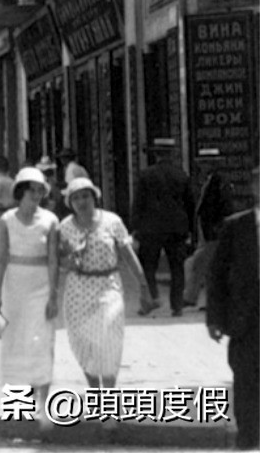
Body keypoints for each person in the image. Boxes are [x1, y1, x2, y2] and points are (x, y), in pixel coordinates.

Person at [55, 176, 156, 434]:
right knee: (82, 343)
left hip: (108, 287)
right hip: (77, 289)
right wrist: (69, 261)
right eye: (76, 198)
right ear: (70, 203)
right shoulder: (64, 227)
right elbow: (58, 261)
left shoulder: (112, 222)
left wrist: (144, 286)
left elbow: (128, 255)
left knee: (109, 341)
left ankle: (109, 405)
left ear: (94, 197)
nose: (81, 202)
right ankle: (96, 398)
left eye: (85, 196)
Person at [0, 166, 60, 433]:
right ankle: (17, 410)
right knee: (14, 343)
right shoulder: (7, 220)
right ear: (20, 192)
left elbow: (54, 259)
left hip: (41, 286)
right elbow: (0, 259)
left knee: (42, 342)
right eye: (31, 190)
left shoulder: (50, 220)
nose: (36, 195)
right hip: (15, 287)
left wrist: (53, 294)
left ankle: (43, 407)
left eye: (40, 190)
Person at [206, 164, 259, 452]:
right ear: (254, 188)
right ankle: (248, 440)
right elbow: (216, 275)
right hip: (246, 320)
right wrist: (214, 318)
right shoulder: (235, 226)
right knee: (246, 381)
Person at [131, 138, 195, 317]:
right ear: (172, 154)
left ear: (156, 154)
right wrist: (190, 229)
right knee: (177, 267)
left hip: (151, 229)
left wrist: (135, 227)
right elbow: (190, 205)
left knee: (148, 267)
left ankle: (152, 299)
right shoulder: (181, 175)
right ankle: (177, 306)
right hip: (176, 228)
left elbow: (138, 203)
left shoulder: (146, 175)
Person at [184, 154, 231, 309]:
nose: (202, 167)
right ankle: (201, 299)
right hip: (207, 231)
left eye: (204, 163)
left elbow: (223, 206)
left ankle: (196, 298)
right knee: (206, 266)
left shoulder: (218, 182)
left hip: (213, 232)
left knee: (205, 264)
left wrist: (218, 226)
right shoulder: (209, 181)